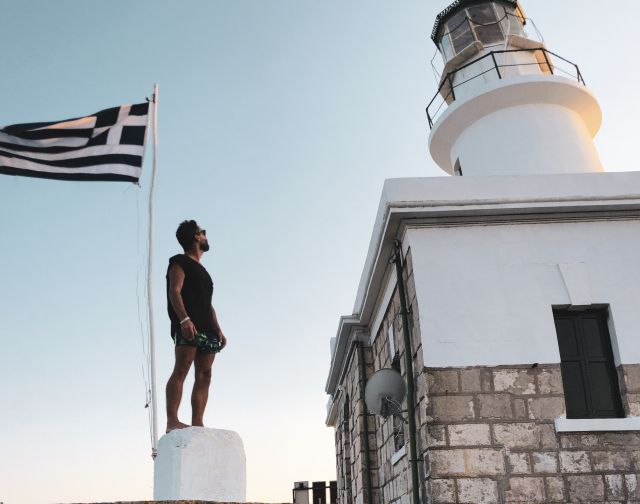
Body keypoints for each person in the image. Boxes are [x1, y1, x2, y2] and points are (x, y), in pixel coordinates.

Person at [165, 219, 227, 433]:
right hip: (188, 326)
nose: (205, 235)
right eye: (203, 232)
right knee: (182, 368)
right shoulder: (179, 262)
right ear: (196, 237)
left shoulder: (203, 272)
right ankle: (172, 420)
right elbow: (175, 291)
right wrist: (184, 319)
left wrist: (218, 328)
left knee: (205, 374)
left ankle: (197, 423)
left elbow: (207, 303)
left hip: (207, 329)